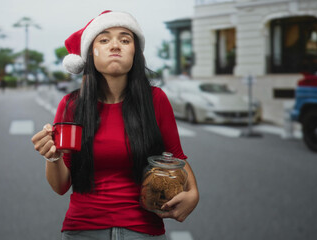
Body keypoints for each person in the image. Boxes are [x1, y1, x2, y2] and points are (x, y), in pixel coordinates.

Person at [31, 10, 199, 239]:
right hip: (83, 228)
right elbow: (61, 186)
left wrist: (193, 194)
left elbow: (176, 156)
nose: (115, 45)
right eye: (104, 39)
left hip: (143, 229)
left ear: (135, 53)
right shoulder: (71, 105)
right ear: (91, 53)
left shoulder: (156, 99)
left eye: (125, 39)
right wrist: (51, 156)